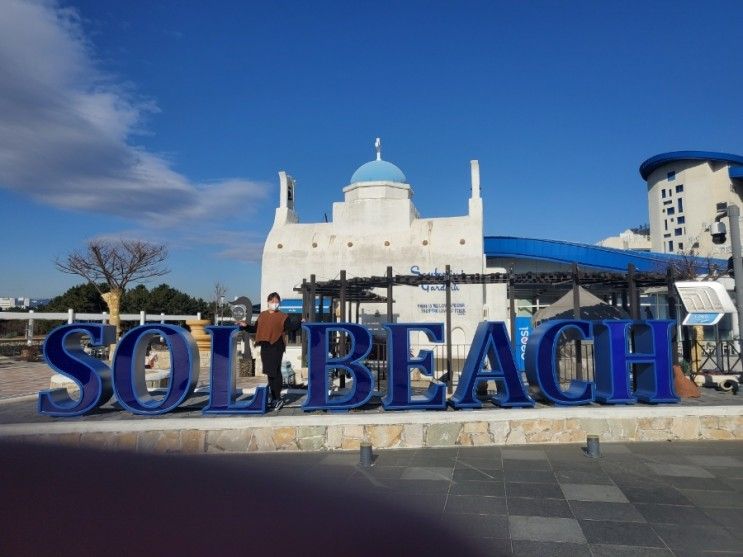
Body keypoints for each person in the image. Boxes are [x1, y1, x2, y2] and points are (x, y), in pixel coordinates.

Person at [241, 292, 300, 410]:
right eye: (272, 301)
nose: (275, 304)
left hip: (277, 346)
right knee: (269, 372)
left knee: (275, 371)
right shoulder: (262, 315)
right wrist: (245, 326)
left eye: (277, 301)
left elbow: (291, 327)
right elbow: (256, 329)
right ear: (268, 302)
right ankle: (273, 397)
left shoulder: (283, 316)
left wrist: (300, 321)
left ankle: (277, 398)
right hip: (265, 346)